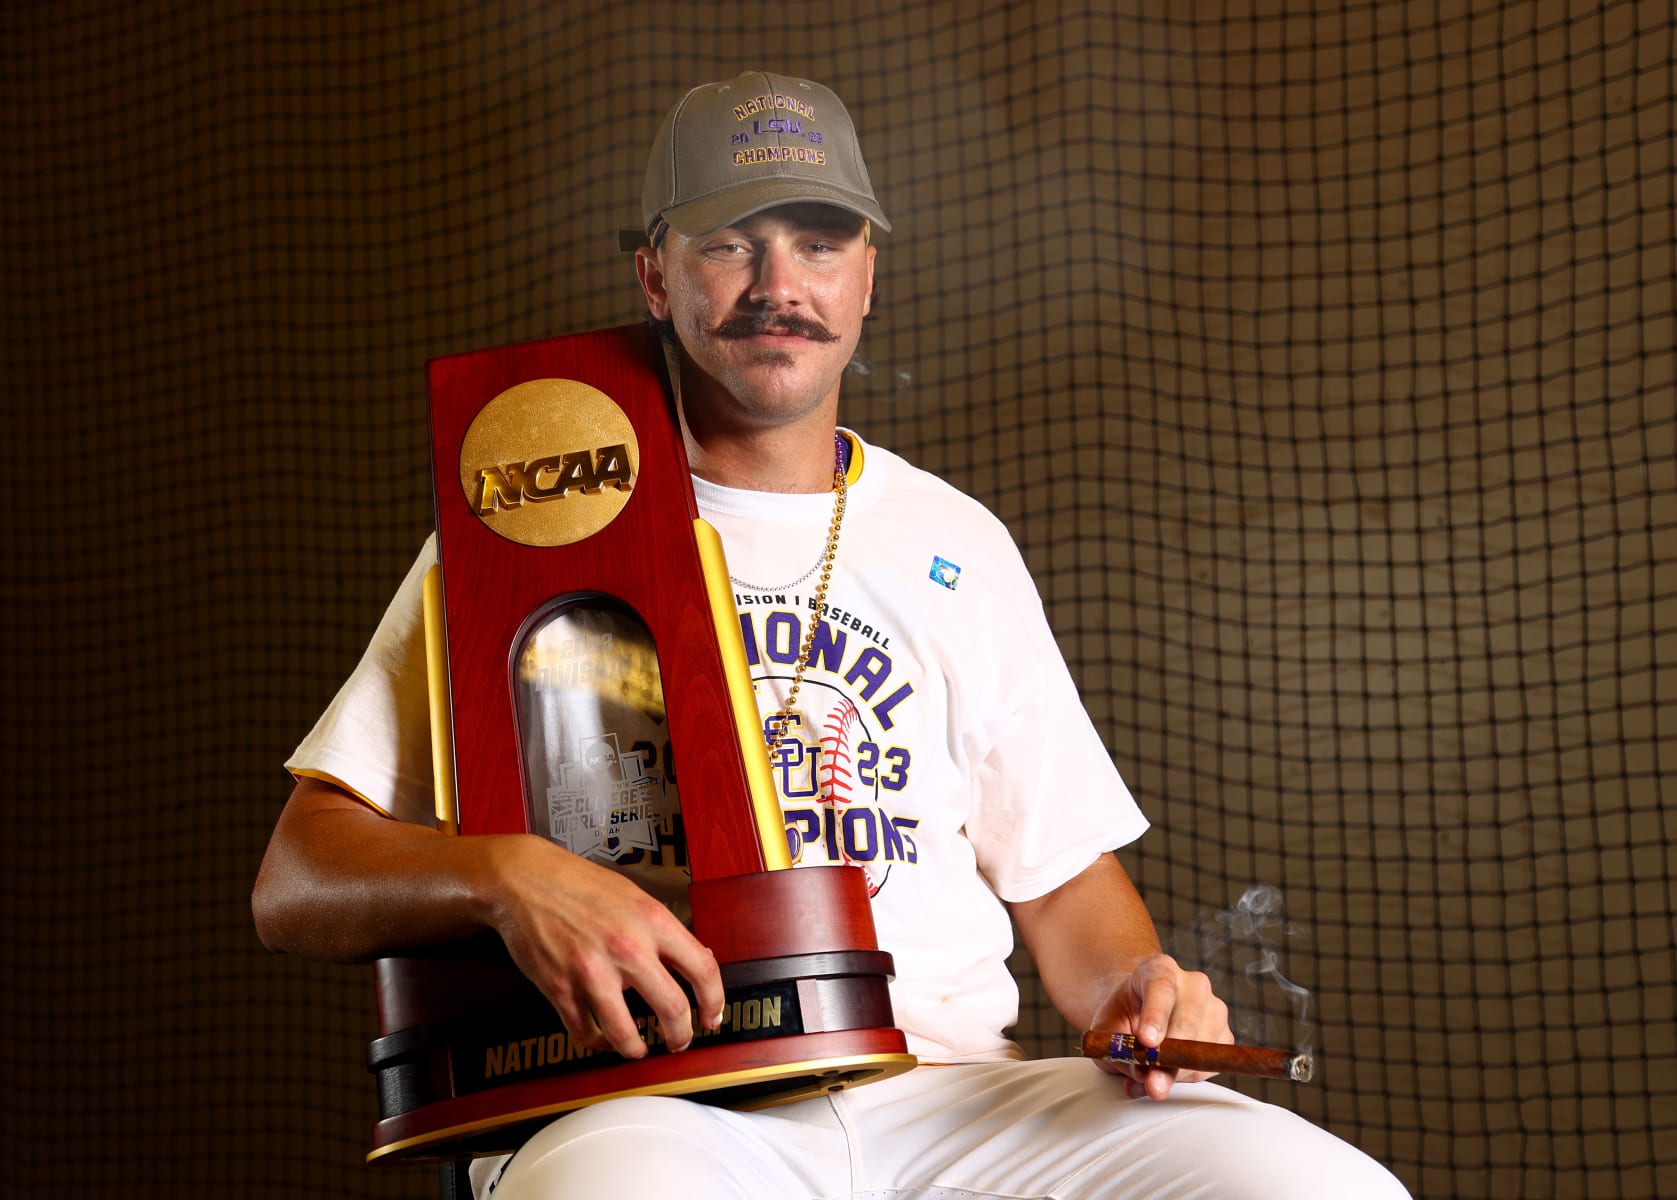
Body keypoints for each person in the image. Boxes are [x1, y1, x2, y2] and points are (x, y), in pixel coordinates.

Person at [253, 70, 1409, 1199]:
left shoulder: (956, 538)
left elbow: (1065, 891)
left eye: (818, 241)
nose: (777, 284)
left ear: (868, 276)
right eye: (730, 243)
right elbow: (296, 881)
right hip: (661, 1103)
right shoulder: (528, 527)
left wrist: (1142, 994)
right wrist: (510, 878)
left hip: (953, 1098)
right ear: (655, 275)